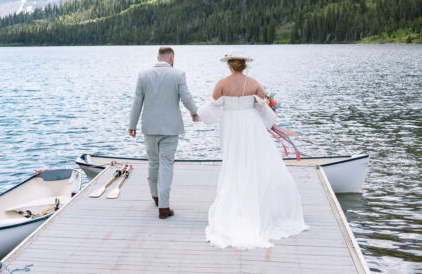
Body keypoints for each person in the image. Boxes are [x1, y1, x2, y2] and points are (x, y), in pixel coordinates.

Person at [198, 51, 307, 249]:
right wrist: (269, 122)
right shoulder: (255, 83)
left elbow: (211, 110)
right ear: (244, 66)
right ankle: (255, 200)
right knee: (253, 160)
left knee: (234, 161)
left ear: (230, 65)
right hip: (250, 124)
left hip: (231, 123)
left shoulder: (221, 83)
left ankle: (235, 203)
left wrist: (199, 114)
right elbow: (265, 111)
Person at [128, 46, 199, 219]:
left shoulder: (143, 75)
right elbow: (186, 97)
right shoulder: (178, 75)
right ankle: (164, 207)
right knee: (166, 164)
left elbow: (137, 101)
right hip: (170, 128)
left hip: (150, 127)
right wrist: (194, 112)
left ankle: (156, 196)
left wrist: (132, 124)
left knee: (153, 162)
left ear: (158, 57)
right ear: (171, 58)